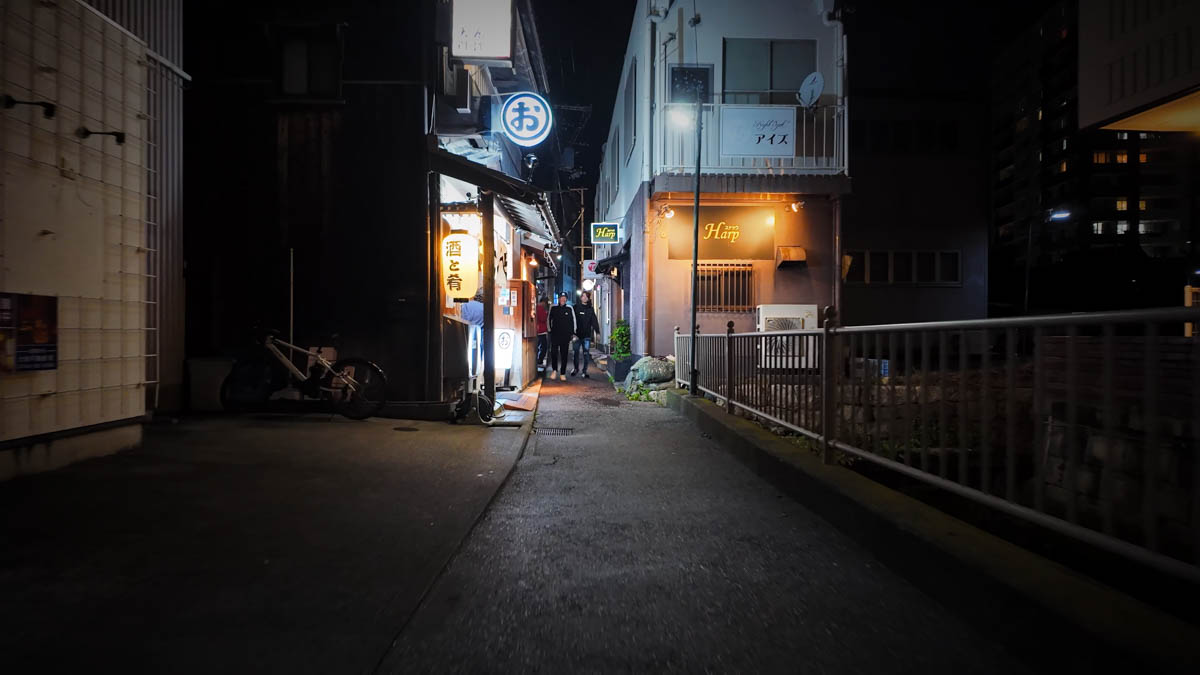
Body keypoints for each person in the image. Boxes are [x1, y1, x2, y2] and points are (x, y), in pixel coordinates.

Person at [547, 292, 575, 381]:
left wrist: (572, 332)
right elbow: (549, 319)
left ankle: (563, 373)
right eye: (561, 297)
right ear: (558, 299)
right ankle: (554, 370)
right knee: (554, 353)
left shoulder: (569, 308)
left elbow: (573, 321)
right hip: (555, 335)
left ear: (566, 299)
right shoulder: (553, 308)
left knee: (564, 354)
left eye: (564, 298)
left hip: (565, 336)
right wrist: (549, 330)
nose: (563, 299)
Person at [572, 291, 599, 378]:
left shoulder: (590, 309)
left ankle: (584, 371)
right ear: (581, 298)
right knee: (575, 353)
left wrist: (597, 332)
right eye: (583, 296)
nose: (584, 298)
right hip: (576, 335)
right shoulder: (575, 307)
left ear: (588, 298)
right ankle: (576, 368)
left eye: (586, 297)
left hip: (586, 335)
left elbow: (594, 321)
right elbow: (571, 320)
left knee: (586, 353)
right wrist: (571, 333)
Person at [535, 296, 550, 368]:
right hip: (541, 330)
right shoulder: (541, 308)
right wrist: (546, 313)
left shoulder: (537, 307)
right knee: (543, 346)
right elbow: (543, 318)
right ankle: (539, 360)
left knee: (539, 346)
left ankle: (538, 359)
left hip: (538, 330)